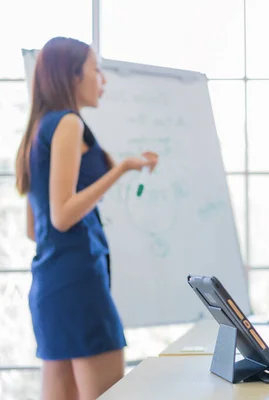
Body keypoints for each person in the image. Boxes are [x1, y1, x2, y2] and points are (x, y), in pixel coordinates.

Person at [15, 37, 158, 400]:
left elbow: (36, 228)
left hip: (49, 285)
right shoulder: (68, 124)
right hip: (79, 283)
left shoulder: (38, 129)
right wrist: (123, 167)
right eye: (96, 70)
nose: (102, 80)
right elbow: (63, 216)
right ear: (73, 75)